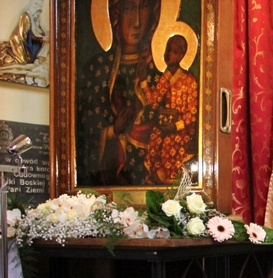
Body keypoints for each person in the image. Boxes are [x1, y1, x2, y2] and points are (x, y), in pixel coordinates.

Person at [76, 0, 163, 186]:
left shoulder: (161, 77)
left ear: (155, 14)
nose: (137, 22)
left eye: (145, 7)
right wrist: (112, 130)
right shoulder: (96, 70)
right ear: (116, 14)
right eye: (130, 9)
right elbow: (83, 138)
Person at [142, 34, 199, 184]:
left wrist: (174, 126)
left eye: (173, 51)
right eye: (167, 49)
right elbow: (154, 102)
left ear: (181, 55)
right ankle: (155, 181)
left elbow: (192, 114)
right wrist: (143, 83)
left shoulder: (189, 80)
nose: (168, 54)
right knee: (154, 137)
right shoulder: (165, 77)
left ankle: (169, 183)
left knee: (169, 143)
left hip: (182, 130)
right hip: (165, 125)